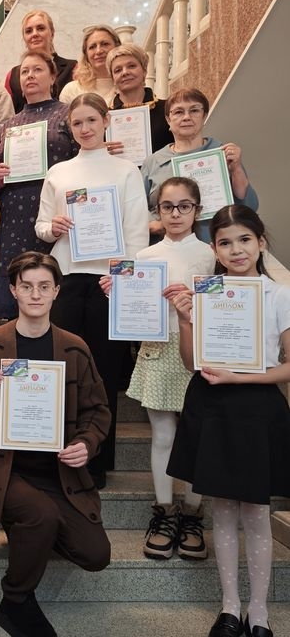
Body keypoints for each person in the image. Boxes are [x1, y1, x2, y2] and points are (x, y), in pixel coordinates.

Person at [0, 251, 111, 637]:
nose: (35, 294)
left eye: (44, 286)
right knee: (40, 514)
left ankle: (36, 531)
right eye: (27, 286)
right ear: (13, 290)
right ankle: (15, 600)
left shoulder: (74, 348)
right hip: (4, 470)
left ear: (56, 291)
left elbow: (98, 411)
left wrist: (85, 444)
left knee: (95, 554)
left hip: (57, 473)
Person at [167, 206, 290, 637]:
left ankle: (260, 615)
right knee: (221, 508)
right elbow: (191, 362)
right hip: (212, 403)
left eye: (244, 240)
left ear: (260, 243)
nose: (236, 250)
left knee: (256, 511)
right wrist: (185, 321)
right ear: (214, 250)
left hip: (256, 404)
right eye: (225, 242)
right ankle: (230, 607)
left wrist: (244, 377)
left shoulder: (279, 294)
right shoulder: (207, 293)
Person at [35, 92, 149, 484]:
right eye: (77, 123)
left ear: (106, 122)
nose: (85, 128)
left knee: (103, 372)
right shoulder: (59, 172)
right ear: (70, 128)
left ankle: (97, 461)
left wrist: (125, 276)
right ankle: (57, 456)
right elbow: (41, 225)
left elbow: (136, 230)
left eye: (91, 120)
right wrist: (53, 227)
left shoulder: (126, 171)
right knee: (63, 369)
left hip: (108, 283)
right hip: (66, 280)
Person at [101, 177, 215, 559]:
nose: (176, 214)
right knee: (163, 434)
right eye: (168, 207)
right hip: (158, 347)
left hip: (198, 349)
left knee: (196, 434)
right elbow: (134, 308)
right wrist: (116, 292)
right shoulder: (144, 257)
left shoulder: (211, 254)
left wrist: (195, 297)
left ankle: (193, 514)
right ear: (158, 212)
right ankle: (165, 512)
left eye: (184, 206)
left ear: (197, 210)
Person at [0, 51, 77, 320]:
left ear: (53, 77)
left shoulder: (68, 115)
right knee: (18, 280)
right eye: (25, 71)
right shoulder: (9, 125)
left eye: (38, 69)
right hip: (15, 215)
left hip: (55, 212)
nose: (30, 75)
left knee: (51, 285)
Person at [140, 88, 258, 243]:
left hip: (216, 245)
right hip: (167, 246)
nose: (186, 117)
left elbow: (250, 206)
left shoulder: (222, 155)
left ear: (204, 116)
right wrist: (152, 224)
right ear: (168, 120)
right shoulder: (153, 162)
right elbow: (137, 208)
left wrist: (236, 169)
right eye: (178, 112)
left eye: (194, 110)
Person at [5, 10, 76, 112]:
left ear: (52, 33)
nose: (35, 34)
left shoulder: (73, 68)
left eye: (40, 28)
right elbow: (8, 113)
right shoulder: (12, 75)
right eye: (29, 31)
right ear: (24, 38)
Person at [106, 44, 171, 153]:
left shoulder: (168, 109)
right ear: (113, 78)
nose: (125, 72)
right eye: (118, 70)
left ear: (144, 71)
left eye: (131, 66)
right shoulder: (104, 117)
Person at [59, 24, 121, 105]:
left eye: (105, 44)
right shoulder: (71, 90)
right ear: (86, 55)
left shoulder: (129, 82)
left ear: (117, 47)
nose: (99, 51)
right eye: (92, 47)